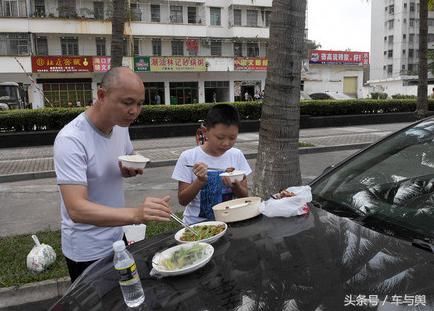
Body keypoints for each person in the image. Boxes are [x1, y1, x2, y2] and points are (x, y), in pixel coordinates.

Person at [53, 67, 172, 283]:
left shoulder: (120, 126)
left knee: (127, 296)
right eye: (127, 103)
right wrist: (136, 214)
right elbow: (76, 209)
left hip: (117, 236)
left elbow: (125, 157)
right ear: (101, 95)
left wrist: (129, 167)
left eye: (139, 103)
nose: (134, 111)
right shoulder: (71, 140)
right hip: (87, 249)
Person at [171, 103, 252, 225]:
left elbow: (245, 196)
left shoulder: (237, 155)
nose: (226, 143)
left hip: (229, 222)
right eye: (220, 137)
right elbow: (182, 200)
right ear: (205, 132)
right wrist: (200, 181)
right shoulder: (188, 157)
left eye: (232, 138)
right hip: (196, 225)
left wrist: (236, 185)